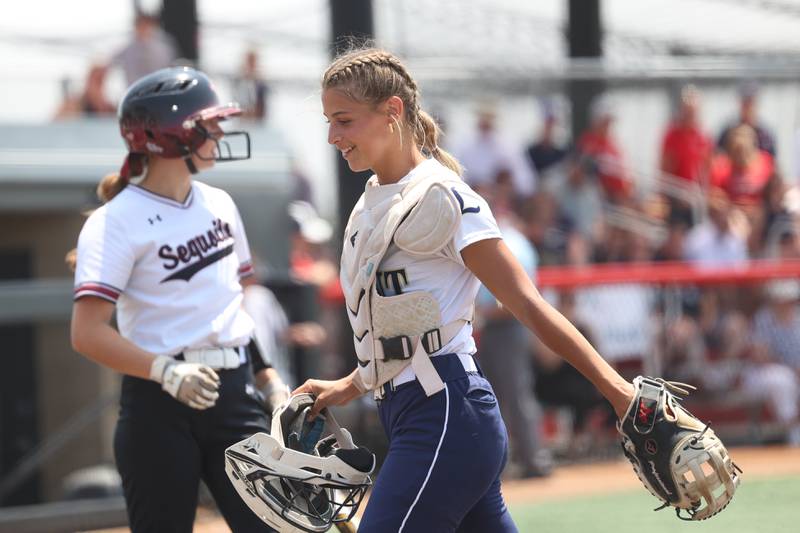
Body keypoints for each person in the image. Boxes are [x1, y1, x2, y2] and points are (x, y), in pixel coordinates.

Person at [292, 46, 634, 533]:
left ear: (393, 110)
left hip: (446, 412)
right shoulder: (368, 204)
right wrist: (351, 384)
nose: (332, 136)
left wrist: (619, 393)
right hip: (419, 413)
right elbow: (402, 331)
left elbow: (528, 304)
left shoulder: (444, 197)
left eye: (343, 120)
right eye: (329, 121)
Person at [69, 66, 284, 532]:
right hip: (157, 403)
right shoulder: (113, 222)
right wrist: (165, 370)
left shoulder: (221, 204)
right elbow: (86, 335)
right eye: (209, 123)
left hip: (233, 393)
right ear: (171, 134)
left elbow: (232, 310)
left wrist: (269, 380)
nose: (221, 132)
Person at [110, 11, 178, 86]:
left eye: (146, 26)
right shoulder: (126, 49)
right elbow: (108, 62)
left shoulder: (165, 46)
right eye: (140, 26)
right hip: (134, 92)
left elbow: (172, 68)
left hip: (159, 90)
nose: (143, 29)